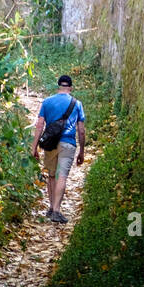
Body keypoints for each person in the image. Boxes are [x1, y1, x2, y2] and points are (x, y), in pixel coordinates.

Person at [31, 75, 86, 223]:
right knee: (62, 176)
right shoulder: (77, 104)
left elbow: (39, 125)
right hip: (68, 143)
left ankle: (51, 208)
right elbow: (81, 130)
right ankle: (56, 210)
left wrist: (34, 147)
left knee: (51, 175)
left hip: (50, 144)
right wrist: (81, 151)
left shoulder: (47, 102)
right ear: (70, 88)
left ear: (58, 87)